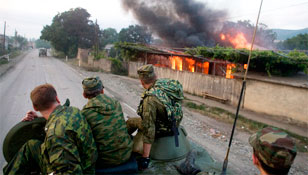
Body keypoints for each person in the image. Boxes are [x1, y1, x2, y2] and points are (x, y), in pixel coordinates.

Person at [3, 84, 97, 174]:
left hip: (83, 170)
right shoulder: (73, 110)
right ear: (57, 99)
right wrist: (38, 118)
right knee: (31, 145)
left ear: (35, 107)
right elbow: (61, 120)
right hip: (86, 161)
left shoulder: (56, 135)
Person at [126, 64, 184, 170]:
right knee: (135, 121)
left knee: (130, 122)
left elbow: (149, 128)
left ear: (141, 82)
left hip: (164, 128)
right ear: (155, 77)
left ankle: (121, 143)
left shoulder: (150, 100)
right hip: (174, 122)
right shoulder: (165, 84)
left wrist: (145, 158)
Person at [81, 77, 133, 169]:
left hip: (105, 161)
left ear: (84, 95)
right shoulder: (116, 104)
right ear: (102, 91)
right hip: (126, 154)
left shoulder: (85, 113)